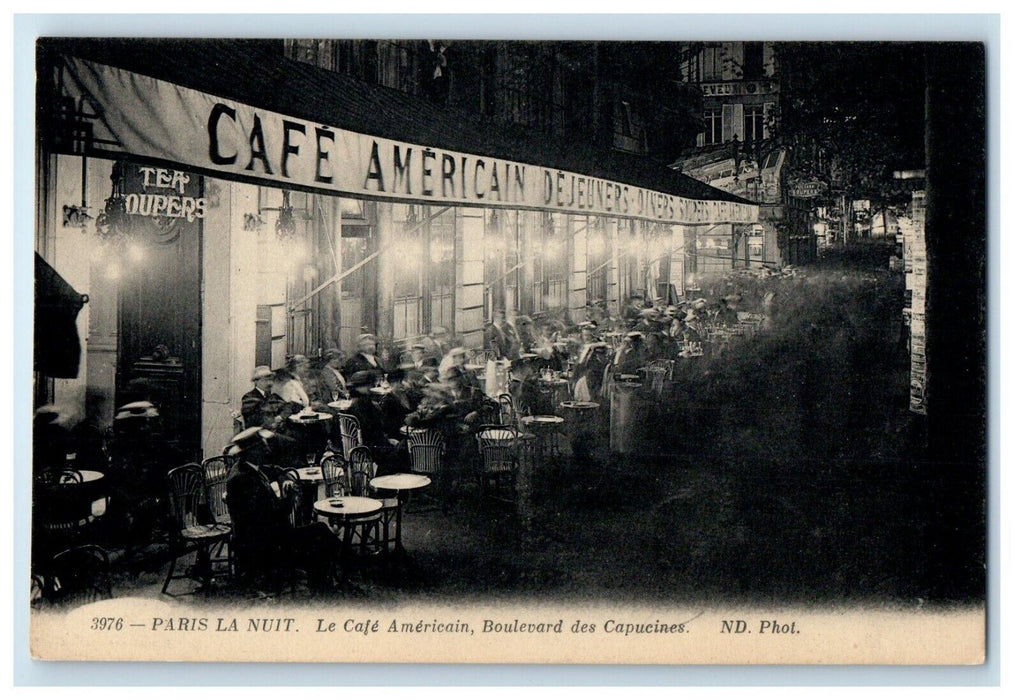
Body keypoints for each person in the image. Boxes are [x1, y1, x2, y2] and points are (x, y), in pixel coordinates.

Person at [224, 427, 338, 593]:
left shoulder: (248, 468)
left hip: (267, 538)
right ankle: (324, 582)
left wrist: (285, 480)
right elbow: (265, 518)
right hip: (262, 546)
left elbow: (276, 470)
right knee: (319, 534)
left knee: (319, 531)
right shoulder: (244, 479)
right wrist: (288, 500)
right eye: (263, 446)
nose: (268, 449)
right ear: (252, 451)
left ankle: (323, 579)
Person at [345, 370, 402, 471]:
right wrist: (387, 441)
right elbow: (372, 432)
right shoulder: (365, 405)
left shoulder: (353, 404)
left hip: (356, 446)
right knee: (401, 451)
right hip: (369, 447)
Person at [241, 365, 281, 430]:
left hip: (272, 431)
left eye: (270, 380)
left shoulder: (272, 396)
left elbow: (287, 406)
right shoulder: (249, 397)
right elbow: (251, 421)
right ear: (256, 381)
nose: (269, 383)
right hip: (258, 434)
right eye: (265, 380)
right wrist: (273, 422)